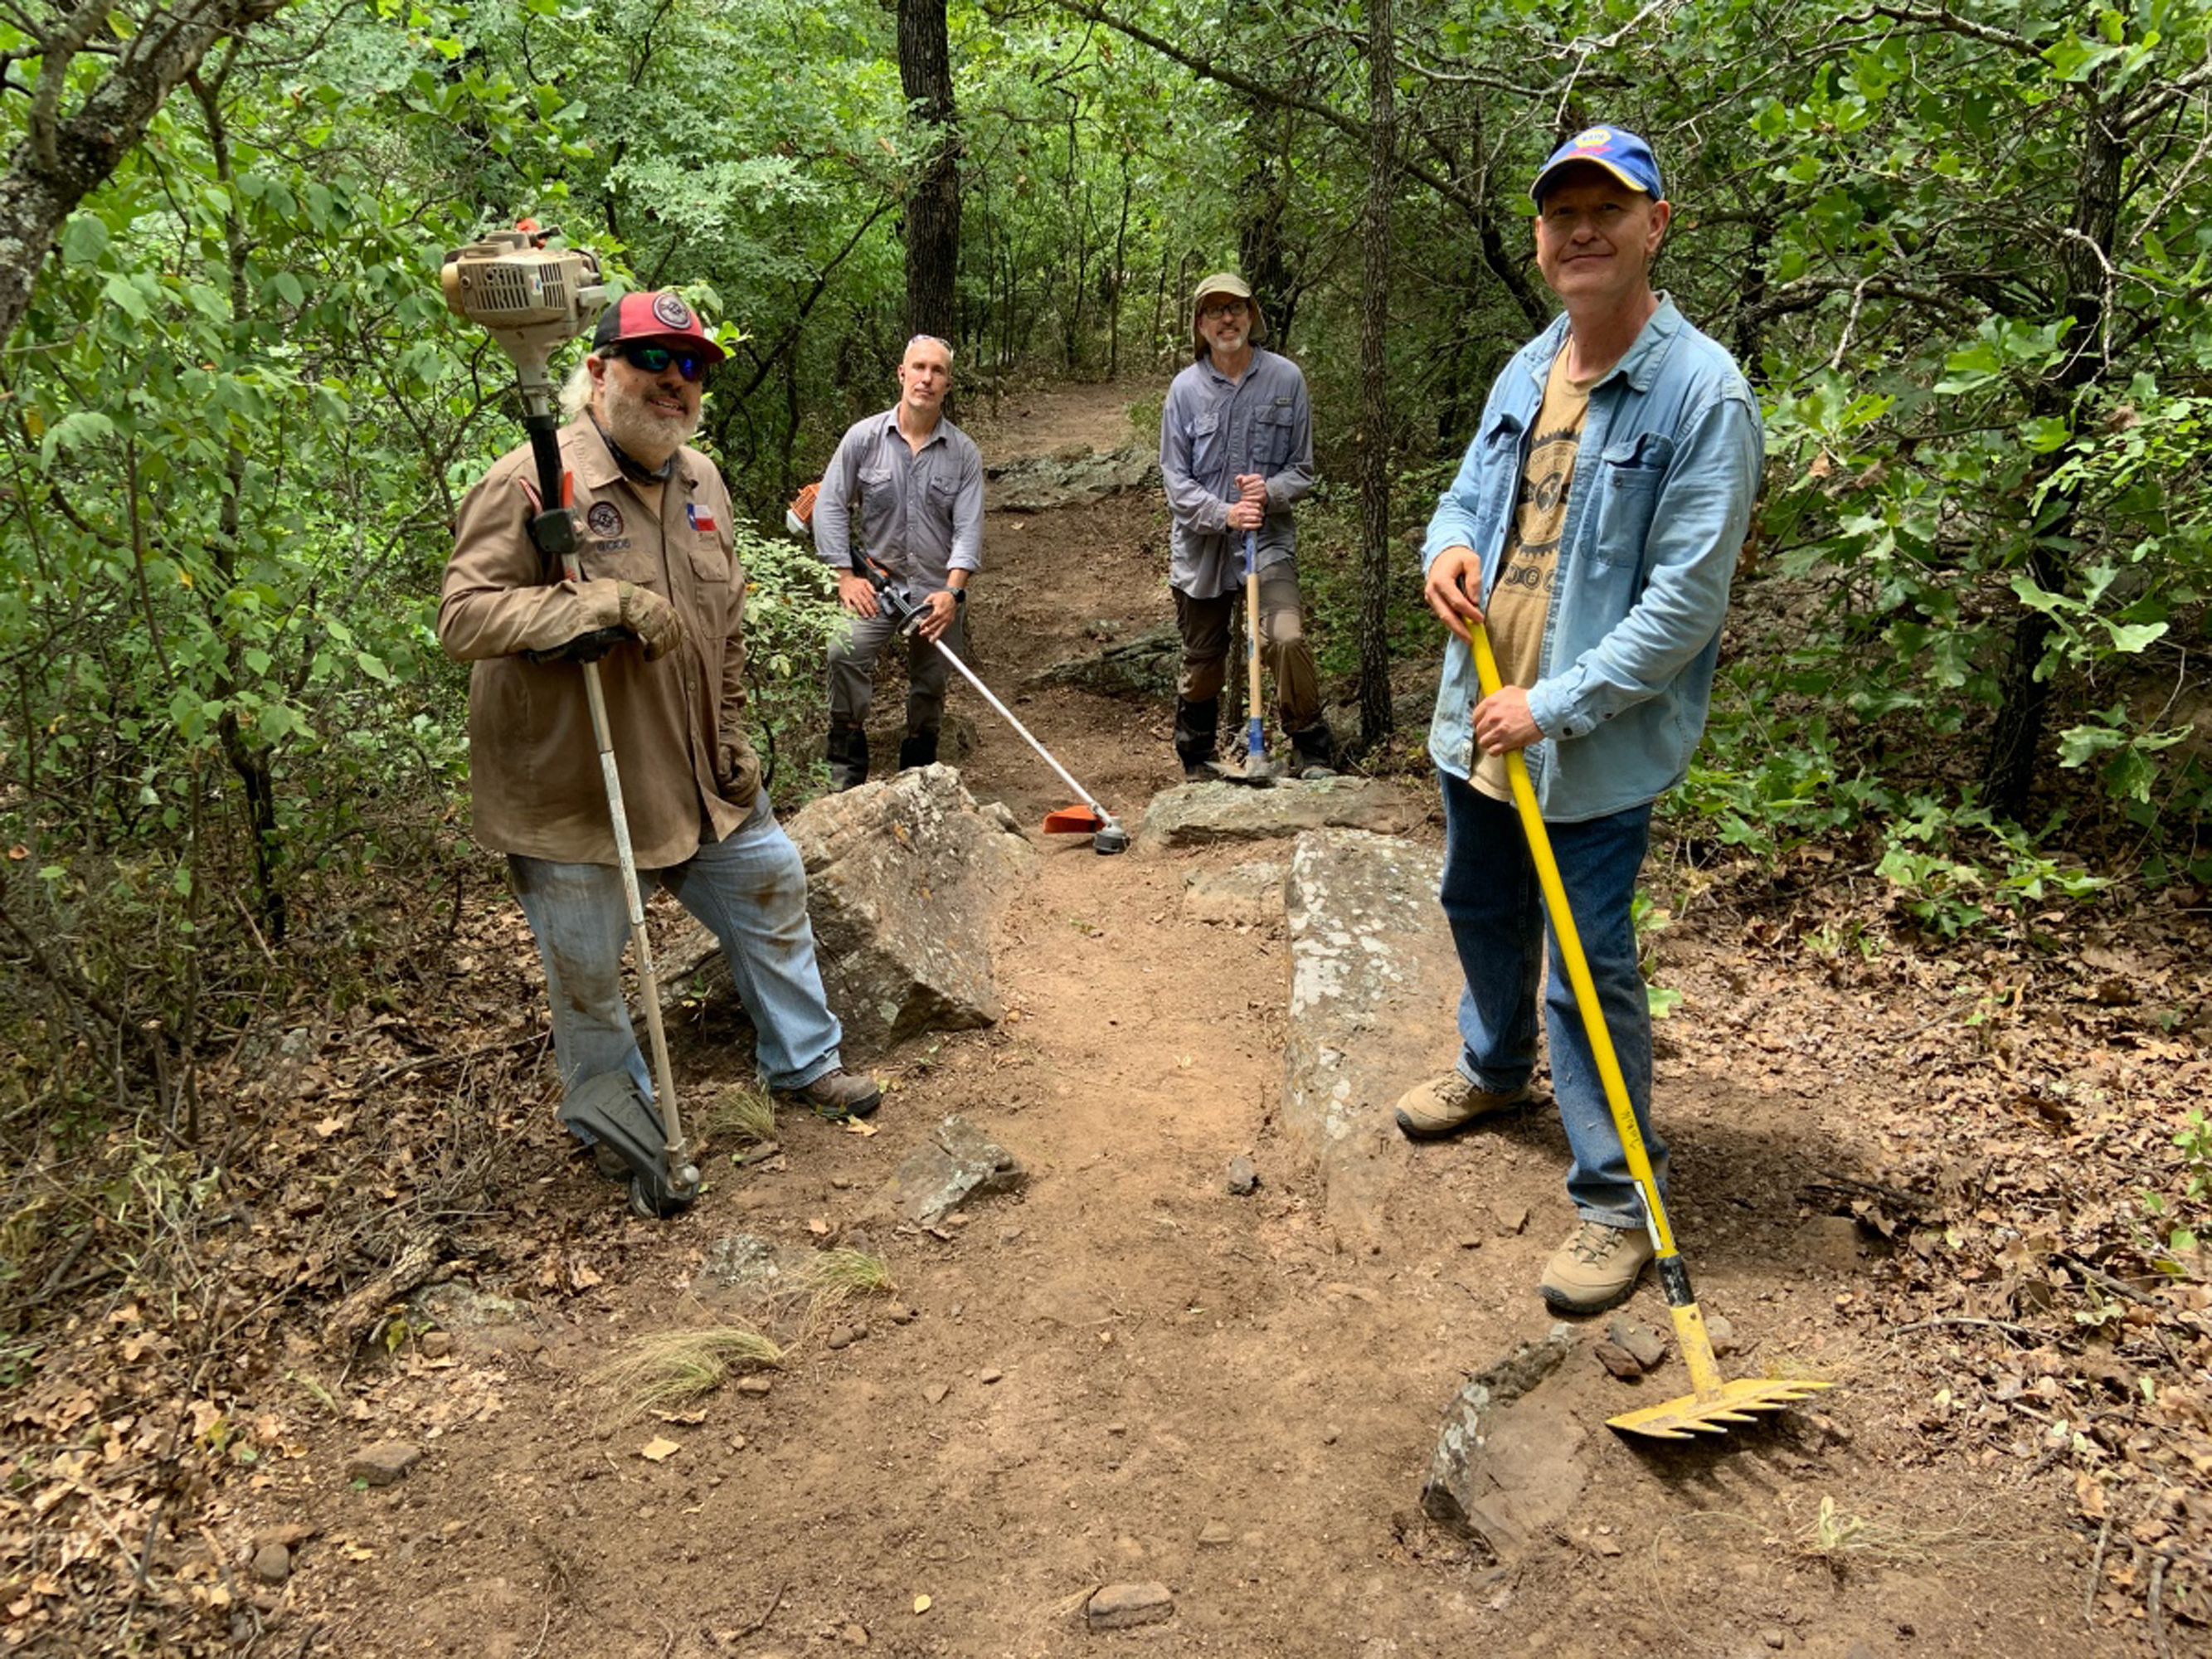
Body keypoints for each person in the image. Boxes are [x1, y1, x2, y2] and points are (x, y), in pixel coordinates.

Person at [1398, 127, 1762, 1314]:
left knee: (1585, 966)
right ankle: (1493, 1072)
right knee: (1477, 902)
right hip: (1479, 714)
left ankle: (1615, 1201)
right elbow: (1463, 493)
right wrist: (1444, 547)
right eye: (1561, 212)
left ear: (1657, 224)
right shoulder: (1527, 366)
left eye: (1607, 208)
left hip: (1583, 747)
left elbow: (1681, 608)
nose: (1580, 230)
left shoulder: (1703, 393)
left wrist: (1547, 706)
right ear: (1541, 234)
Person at [440, 289, 882, 1189]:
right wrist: (594, 602)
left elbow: (725, 622)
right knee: (592, 974)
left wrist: (729, 728)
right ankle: (626, 1123)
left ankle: (802, 1061)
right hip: (575, 786)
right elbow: (463, 616)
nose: (675, 385)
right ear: (598, 372)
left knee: (771, 881)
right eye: (654, 362)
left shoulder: (700, 479)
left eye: (692, 370)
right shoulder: (530, 479)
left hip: (693, 767)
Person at [1159, 272, 1334, 781]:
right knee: (1203, 655)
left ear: (1251, 314)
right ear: (1200, 324)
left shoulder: (1286, 379)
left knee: (1284, 634)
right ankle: (1197, 757)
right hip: (1202, 549)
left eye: (1235, 308)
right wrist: (1225, 513)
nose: (1226, 318)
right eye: (1214, 310)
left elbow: (1301, 470)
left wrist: (1270, 492)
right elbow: (1175, 480)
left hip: (1269, 541)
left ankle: (1310, 748)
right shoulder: (1184, 391)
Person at [809, 334, 985, 790]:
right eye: (919, 368)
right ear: (902, 374)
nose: (927, 378)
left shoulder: (964, 453)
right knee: (843, 652)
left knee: (930, 680)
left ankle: (919, 765)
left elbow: (968, 528)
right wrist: (845, 577)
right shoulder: (863, 439)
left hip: (935, 591)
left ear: (948, 383)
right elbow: (829, 504)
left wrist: (953, 592)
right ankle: (847, 764)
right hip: (876, 585)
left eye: (938, 371)